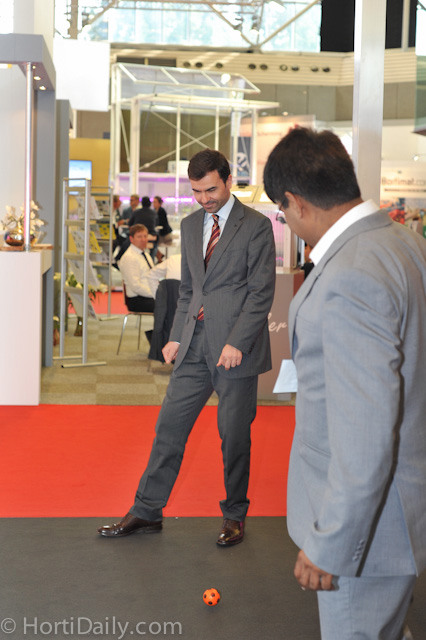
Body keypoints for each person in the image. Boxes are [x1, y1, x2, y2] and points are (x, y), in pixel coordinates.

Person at [263, 127, 426, 640]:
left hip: (368, 534)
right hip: (399, 508)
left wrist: (332, 542)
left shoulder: (351, 273)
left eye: (282, 211)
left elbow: (366, 432)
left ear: (295, 202)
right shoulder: (404, 242)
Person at [98, 149, 276, 546]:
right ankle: (147, 510)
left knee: (233, 437)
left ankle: (234, 515)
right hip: (194, 345)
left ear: (227, 181)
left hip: (235, 351)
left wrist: (237, 342)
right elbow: (190, 289)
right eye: (196, 191)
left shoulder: (256, 225)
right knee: (169, 428)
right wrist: (176, 335)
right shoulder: (191, 223)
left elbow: (261, 292)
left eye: (210, 189)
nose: (204, 199)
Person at [117, 224, 155, 312]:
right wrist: (155, 294)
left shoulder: (146, 254)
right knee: (168, 306)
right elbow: (136, 286)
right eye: (139, 237)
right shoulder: (129, 257)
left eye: (145, 236)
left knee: (173, 302)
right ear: (131, 239)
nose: (143, 239)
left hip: (147, 295)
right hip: (137, 299)